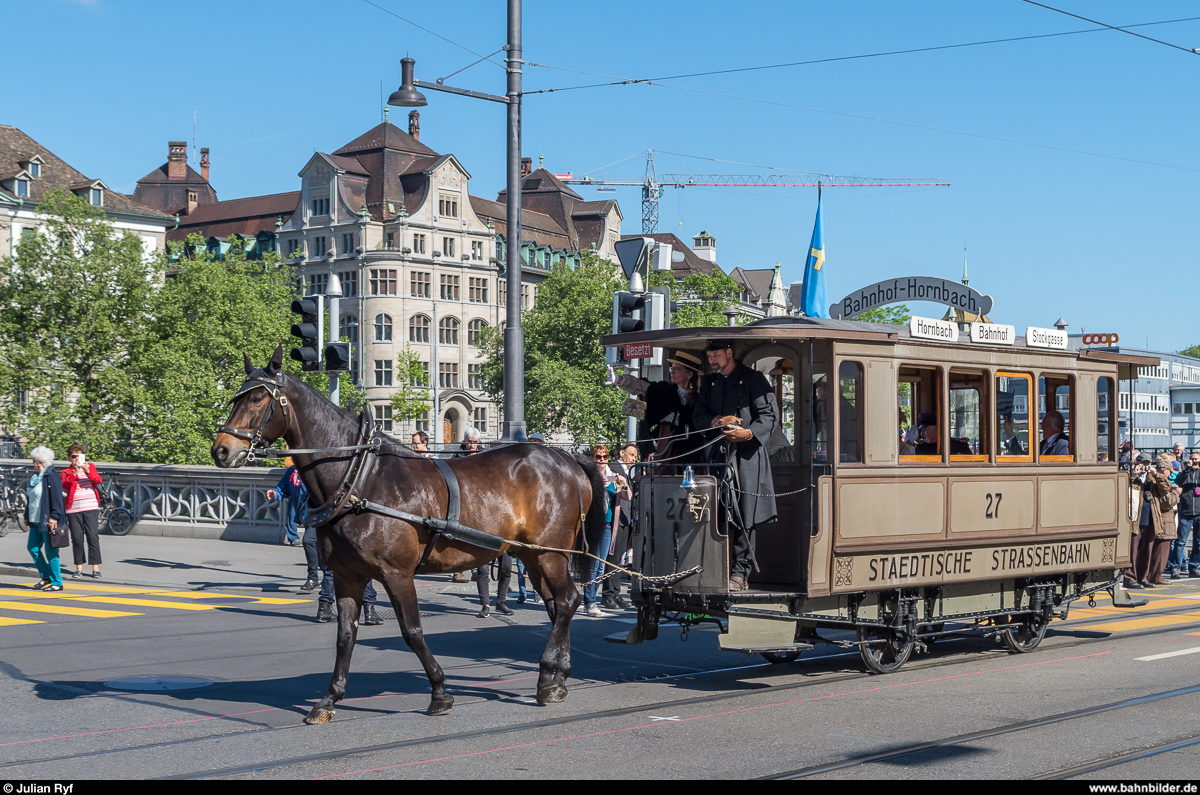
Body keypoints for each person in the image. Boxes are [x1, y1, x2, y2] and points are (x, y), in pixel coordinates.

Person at [692, 339, 778, 591]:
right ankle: (715, 567)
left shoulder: (754, 379)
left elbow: (770, 417)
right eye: (710, 357)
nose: (713, 361)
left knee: (745, 515)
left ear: (729, 353)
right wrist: (717, 420)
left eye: (716, 355)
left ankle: (740, 573)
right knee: (716, 513)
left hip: (747, 458)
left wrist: (748, 434)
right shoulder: (709, 383)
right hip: (717, 459)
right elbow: (698, 417)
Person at [610, 351, 704, 461]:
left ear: (689, 374)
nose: (672, 372)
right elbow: (642, 387)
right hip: (662, 451)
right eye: (671, 368)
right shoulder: (664, 390)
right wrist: (617, 379)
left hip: (689, 454)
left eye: (677, 369)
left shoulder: (698, 400)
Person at [582, 445, 631, 616]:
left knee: (600, 566)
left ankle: (590, 599)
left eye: (605, 456)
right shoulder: (587, 475)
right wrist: (596, 485)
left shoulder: (613, 475)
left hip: (608, 525)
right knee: (593, 564)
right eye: (598, 457)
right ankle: (589, 601)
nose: (602, 460)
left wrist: (622, 484)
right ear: (592, 458)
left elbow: (628, 497)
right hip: (593, 525)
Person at [1130, 454, 1180, 588]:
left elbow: (1165, 489)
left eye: (1147, 464)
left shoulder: (1152, 478)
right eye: (1142, 464)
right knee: (1134, 551)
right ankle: (1130, 578)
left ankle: (1143, 578)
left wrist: (1156, 474)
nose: (1144, 467)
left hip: (1151, 518)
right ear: (1136, 463)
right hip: (1135, 518)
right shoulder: (1130, 476)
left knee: (1147, 551)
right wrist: (1134, 474)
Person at [267, 465, 317, 590]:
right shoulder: (292, 471)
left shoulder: (314, 468)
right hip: (305, 515)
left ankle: (315, 578)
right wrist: (275, 494)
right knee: (318, 548)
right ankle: (321, 578)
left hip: (318, 515)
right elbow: (282, 489)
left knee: (309, 541)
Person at [603, 443, 638, 609]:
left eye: (635, 457)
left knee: (619, 560)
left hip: (626, 518)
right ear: (622, 453)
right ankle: (608, 594)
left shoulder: (629, 471)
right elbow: (610, 484)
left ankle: (616, 593)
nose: (634, 459)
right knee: (613, 557)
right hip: (617, 518)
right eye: (631, 455)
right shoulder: (614, 467)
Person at [26, 446, 66, 592]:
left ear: (40, 462)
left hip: (47, 521)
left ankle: (57, 582)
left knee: (51, 552)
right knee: (32, 548)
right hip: (35, 520)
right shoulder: (35, 477)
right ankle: (46, 577)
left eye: (34, 461)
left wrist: (54, 517)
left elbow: (57, 499)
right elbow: (31, 499)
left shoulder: (52, 476)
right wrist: (26, 516)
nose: (32, 464)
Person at [60, 445, 103, 579]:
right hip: (73, 509)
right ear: (69, 458)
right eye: (73, 456)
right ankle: (79, 567)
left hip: (90, 507)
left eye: (79, 456)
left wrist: (87, 469)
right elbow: (65, 485)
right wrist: (74, 473)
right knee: (77, 539)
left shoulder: (90, 467)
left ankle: (95, 568)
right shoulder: (66, 472)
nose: (76, 459)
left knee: (92, 536)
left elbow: (97, 480)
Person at [1167, 450, 1200, 579]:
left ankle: (1194, 566)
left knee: (1198, 542)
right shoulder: (1186, 472)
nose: (1195, 461)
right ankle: (1175, 567)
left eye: (1197, 459)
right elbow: (1178, 481)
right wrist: (1188, 469)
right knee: (1180, 541)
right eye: (1193, 459)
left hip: (1198, 512)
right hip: (1186, 512)